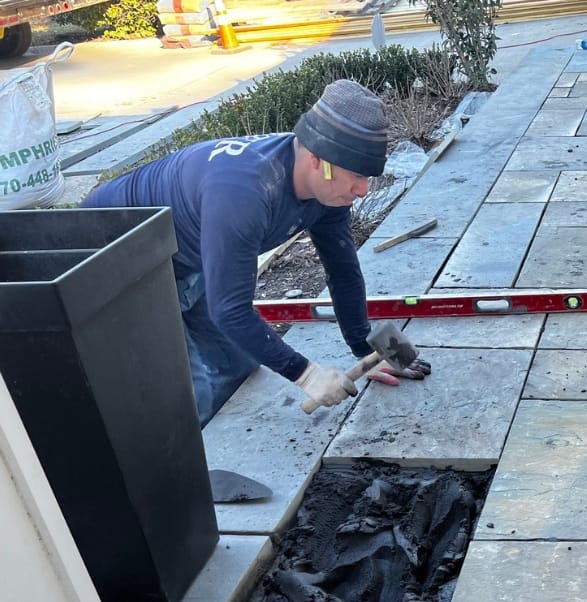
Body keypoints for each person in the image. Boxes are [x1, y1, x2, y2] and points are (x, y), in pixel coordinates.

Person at [81, 79, 425, 426]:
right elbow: (229, 310)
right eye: (356, 176)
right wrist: (306, 374)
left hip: (183, 259)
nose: (363, 190)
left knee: (237, 371)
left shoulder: (327, 193)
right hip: (111, 261)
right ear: (317, 159)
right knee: (185, 398)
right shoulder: (245, 192)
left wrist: (365, 350)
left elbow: (343, 271)